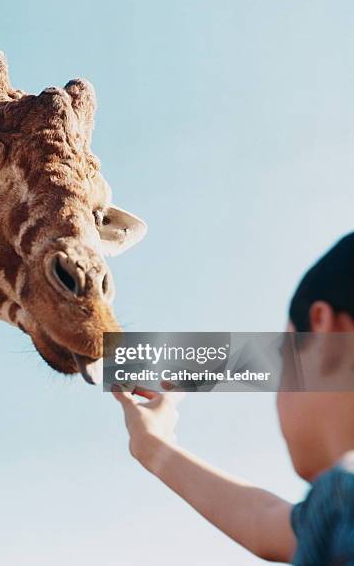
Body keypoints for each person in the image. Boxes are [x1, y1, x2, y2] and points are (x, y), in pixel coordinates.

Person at [113, 233, 354, 564]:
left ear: (322, 328)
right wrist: (153, 446)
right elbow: (263, 519)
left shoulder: (344, 500)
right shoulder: (333, 514)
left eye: (283, 360)